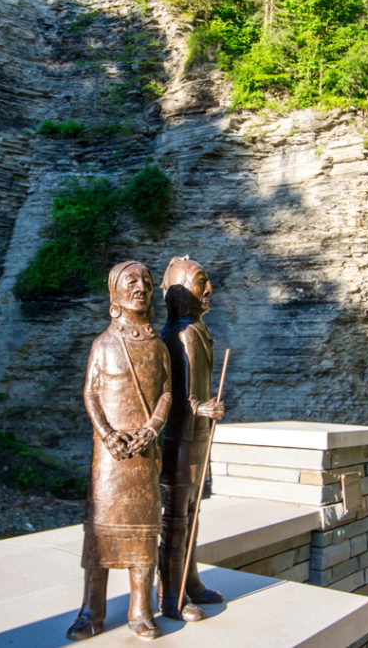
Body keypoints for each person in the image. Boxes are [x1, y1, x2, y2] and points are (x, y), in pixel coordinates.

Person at [67, 261, 172, 642]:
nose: (141, 288)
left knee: (144, 532)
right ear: (115, 294)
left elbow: (165, 392)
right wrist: (108, 433)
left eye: (146, 281)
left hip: (143, 452)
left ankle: (141, 610)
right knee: (100, 532)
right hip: (109, 456)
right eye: (131, 282)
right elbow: (91, 393)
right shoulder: (104, 343)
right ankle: (92, 610)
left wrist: (151, 429)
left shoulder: (158, 346)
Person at [157, 256, 225, 622]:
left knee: (192, 513)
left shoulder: (196, 332)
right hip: (180, 441)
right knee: (176, 518)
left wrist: (203, 409)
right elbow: (176, 396)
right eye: (201, 282)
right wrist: (202, 409)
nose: (209, 289)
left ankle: (191, 580)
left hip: (194, 439)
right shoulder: (180, 335)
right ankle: (171, 595)